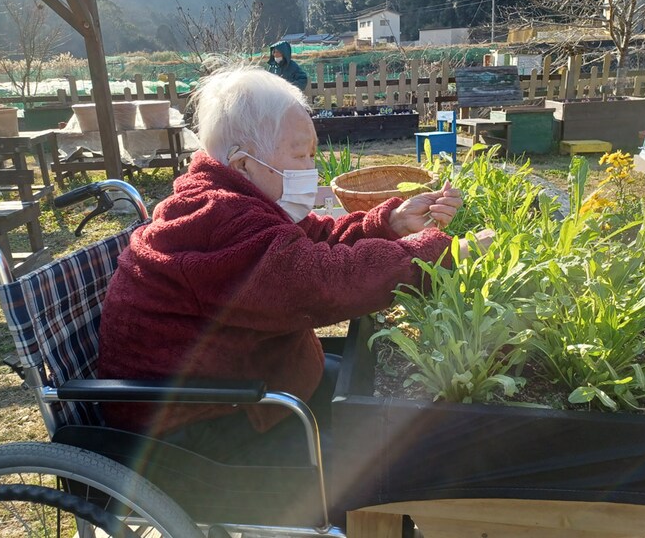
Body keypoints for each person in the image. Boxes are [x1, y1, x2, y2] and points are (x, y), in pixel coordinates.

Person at [97, 64, 492, 465]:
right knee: (374, 460)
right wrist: (439, 254)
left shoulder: (237, 199)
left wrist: (389, 224)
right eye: (300, 155)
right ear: (244, 164)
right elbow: (323, 281)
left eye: (312, 154)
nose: (311, 167)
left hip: (248, 381)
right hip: (193, 424)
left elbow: (316, 239)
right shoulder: (216, 219)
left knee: (377, 400)